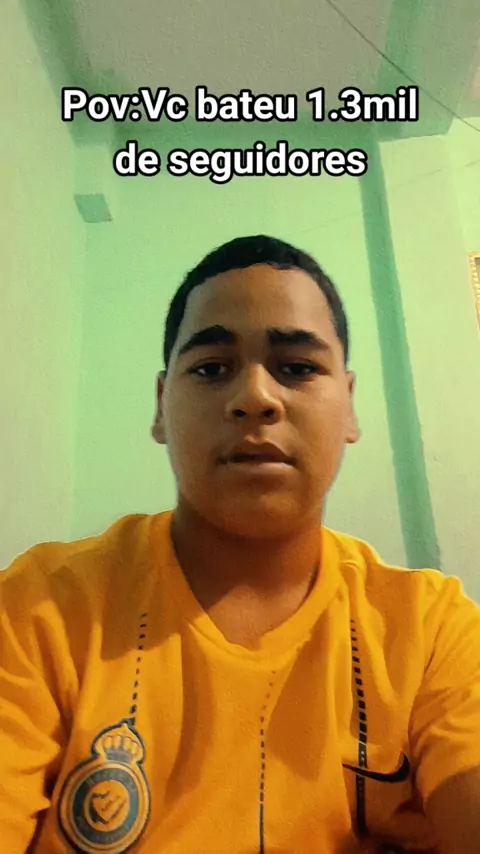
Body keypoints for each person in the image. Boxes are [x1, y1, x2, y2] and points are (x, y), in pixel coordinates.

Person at [1, 235, 479, 854]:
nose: (255, 396)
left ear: (349, 406)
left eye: (297, 368)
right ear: (160, 405)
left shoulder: (430, 630)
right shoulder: (40, 610)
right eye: (211, 368)